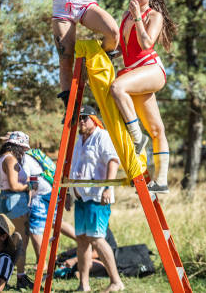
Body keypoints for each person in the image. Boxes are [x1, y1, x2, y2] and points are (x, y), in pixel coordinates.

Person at [110, 0, 176, 194]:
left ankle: (137, 138)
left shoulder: (153, 15)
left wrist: (138, 17)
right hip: (134, 71)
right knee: (157, 129)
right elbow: (124, 49)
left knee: (117, 87)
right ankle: (161, 181)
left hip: (151, 69)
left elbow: (147, 44)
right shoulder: (125, 16)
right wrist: (107, 51)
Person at [70, 105, 124, 292]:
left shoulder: (102, 136)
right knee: (82, 240)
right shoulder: (78, 140)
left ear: (94, 119)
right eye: (80, 118)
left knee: (97, 238)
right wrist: (70, 193)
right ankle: (83, 284)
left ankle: (116, 281)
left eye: (85, 117)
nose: (82, 121)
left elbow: (113, 161)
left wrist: (108, 187)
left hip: (97, 196)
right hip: (80, 197)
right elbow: (74, 168)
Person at [22, 148, 77, 269]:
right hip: (51, 190)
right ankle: (83, 241)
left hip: (40, 195)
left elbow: (29, 181)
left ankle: (41, 263)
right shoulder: (36, 155)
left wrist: (28, 201)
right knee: (56, 221)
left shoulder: (23, 158)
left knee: (35, 227)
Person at [0, 131, 33, 290]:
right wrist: (30, 186)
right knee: (21, 242)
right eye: (23, 148)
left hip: (5, 200)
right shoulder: (10, 159)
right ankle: (20, 276)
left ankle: (4, 275)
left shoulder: (2, 157)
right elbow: (14, 185)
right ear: (17, 146)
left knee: (11, 241)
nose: (24, 151)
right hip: (15, 201)